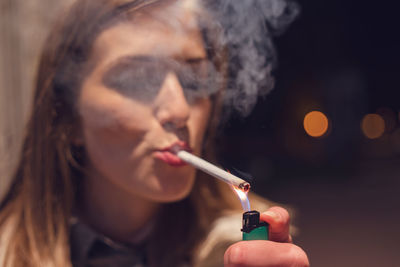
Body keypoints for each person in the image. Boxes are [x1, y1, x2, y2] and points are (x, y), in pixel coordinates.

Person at [0, 0, 309, 266]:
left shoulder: (240, 248)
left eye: (194, 80)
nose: (179, 111)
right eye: (138, 80)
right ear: (69, 119)